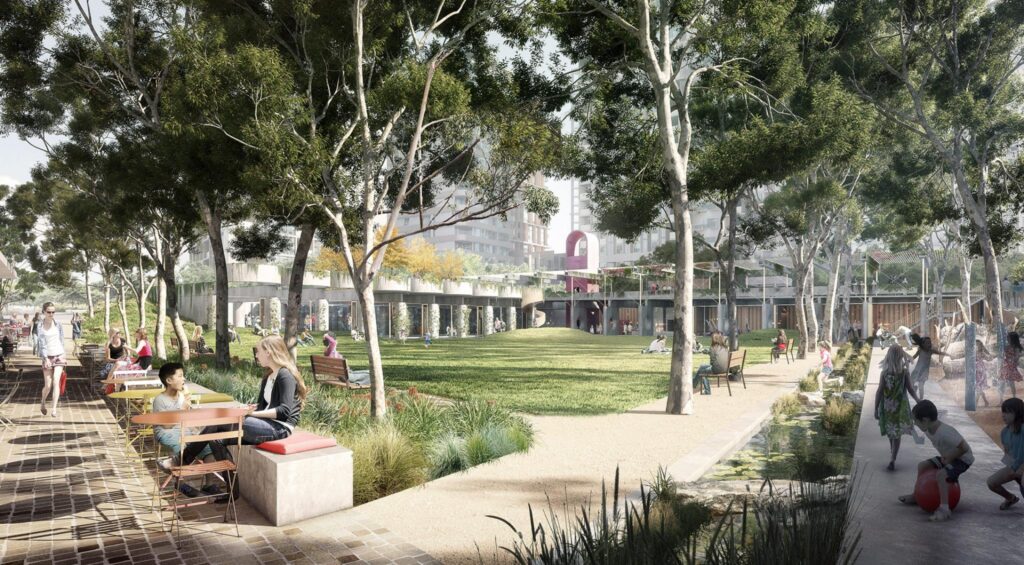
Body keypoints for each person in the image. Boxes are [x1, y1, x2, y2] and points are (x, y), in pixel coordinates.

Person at [174, 336, 308, 500]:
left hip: (280, 427)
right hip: (266, 422)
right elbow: (263, 404)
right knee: (217, 439)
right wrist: (250, 408)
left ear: (270, 352)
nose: (256, 355)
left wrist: (251, 414)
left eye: (258, 351)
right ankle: (232, 491)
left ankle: (182, 460)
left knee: (219, 425)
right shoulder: (269, 376)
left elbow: (284, 411)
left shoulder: (284, 375)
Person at [899, 400, 974, 521]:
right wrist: (911, 431)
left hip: (962, 460)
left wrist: (949, 458)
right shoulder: (928, 428)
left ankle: (944, 509)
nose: (915, 423)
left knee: (941, 475)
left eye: (915, 421)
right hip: (948, 457)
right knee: (922, 466)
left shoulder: (945, 432)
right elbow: (919, 441)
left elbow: (964, 448)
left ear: (925, 420)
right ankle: (916, 496)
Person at [152, 363, 217, 498]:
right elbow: (166, 426)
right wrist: (182, 409)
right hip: (166, 432)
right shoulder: (160, 400)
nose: (183, 379)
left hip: (184, 429)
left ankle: (209, 484)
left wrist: (196, 427)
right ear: (169, 381)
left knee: (209, 449)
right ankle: (181, 483)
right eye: (180, 376)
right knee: (182, 447)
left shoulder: (182, 396)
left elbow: (188, 418)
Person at [875, 345, 920, 471]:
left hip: (887, 407)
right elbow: (910, 389)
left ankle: (892, 455)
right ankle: (893, 456)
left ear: (888, 356)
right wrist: (917, 400)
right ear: (901, 356)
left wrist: (875, 408)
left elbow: (879, 391)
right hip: (900, 407)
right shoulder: (904, 372)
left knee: (891, 431)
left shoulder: (884, 373)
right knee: (897, 433)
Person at [987, 397, 1024, 510]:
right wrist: (1012, 469)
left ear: (1017, 413)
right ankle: (1010, 498)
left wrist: (1019, 470)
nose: (1003, 415)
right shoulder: (1004, 432)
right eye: (1003, 412)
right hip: (1014, 467)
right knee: (991, 482)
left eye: (1008, 412)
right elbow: (1008, 454)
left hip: (1022, 466)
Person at [36, 302, 66, 418]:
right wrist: (45, 358)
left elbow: (61, 339)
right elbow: (41, 343)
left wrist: (63, 353)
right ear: (44, 312)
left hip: (59, 355)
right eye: (49, 312)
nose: (51, 314)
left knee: (55, 381)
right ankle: (43, 401)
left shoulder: (58, 324)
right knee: (48, 385)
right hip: (47, 356)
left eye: (53, 312)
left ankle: (54, 408)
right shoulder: (39, 325)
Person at [911, 336, 947, 400]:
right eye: (927, 343)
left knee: (921, 386)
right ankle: (914, 388)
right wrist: (909, 360)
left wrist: (948, 354)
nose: (929, 344)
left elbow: (939, 353)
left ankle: (920, 399)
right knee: (911, 383)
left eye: (929, 343)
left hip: (924, 372)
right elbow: (914, 356)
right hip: (917, 370)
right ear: (923, 344)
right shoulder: (920, 350)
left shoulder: (931, 351)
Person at [1000, 332, 1023, 399]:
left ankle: (1014, 397)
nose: (1007, 338)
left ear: (1012, 339)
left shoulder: (1016, 347)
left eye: (1008, 337)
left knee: (1011, 383)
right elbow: (1004, 356)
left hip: (1011, 366)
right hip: (1005, 365)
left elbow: (1017, 357)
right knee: (1003, 383)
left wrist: (1010, 359)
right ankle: (1001, 399)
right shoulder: (1007, 346)